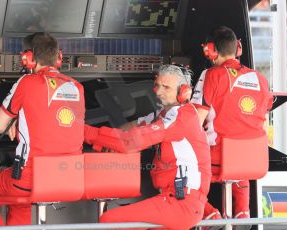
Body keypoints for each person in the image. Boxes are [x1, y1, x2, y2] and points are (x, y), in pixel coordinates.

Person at [0, 32, 85, 226]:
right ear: (59, 57)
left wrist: (12, 120)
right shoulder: (77, 87)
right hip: (70, 180)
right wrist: (19, 118)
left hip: (29, 179)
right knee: (19, 202)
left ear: (28, 58)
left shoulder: (26, 83)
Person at [85, 64, 211, 230]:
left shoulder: (181, 116)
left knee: (109, 220)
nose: (159, 91)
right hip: (177, 201)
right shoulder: (165, 115)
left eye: (166, 87)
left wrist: (82, 131)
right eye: (157, 85)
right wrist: (105, 142)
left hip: (181, 204)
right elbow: (133, 129)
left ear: (184, 92)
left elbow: (130, 141)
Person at [191, 26, 273, 230]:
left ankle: (208, 213)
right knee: (240, 146)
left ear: (210, 50)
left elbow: (195, 120)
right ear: (238, 48)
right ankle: (242, 212)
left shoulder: (211, 74)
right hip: (253, 161)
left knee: (175, 164)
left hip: (218, 160)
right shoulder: (261, 79)